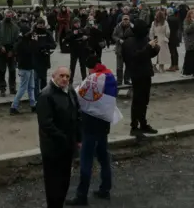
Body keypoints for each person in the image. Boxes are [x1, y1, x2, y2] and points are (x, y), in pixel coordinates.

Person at [65, 55, 118, 205]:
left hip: (89, 126)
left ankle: (81, 195)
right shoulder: (110, 76)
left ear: (91, 68)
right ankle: (105, 189)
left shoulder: (93, 78)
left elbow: (79, 95)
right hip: (104, 124)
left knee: (86, 160)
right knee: (103, 157)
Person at [37, 67, 81, 208]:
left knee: (64, 180)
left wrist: (78, 137)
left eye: (67, 76)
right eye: (61, 76)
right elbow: (46, 124)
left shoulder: (70, 91)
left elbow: (77, 113)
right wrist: (64, 138)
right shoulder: (46, 95)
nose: (65, 79)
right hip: (53, 148)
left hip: (67, 146)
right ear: (54, 76)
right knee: (53, 183)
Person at [122, 19, 160, 138]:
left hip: (146, 73)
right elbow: (135, 57)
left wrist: (155, 48)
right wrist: (148, 47)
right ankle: (134, 126)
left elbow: (149, 54)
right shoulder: (128, 42)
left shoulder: (144, 39)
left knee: (145, 100)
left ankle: (143, 123)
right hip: (136, 74)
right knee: (137, 100)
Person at [0, 9, 20, 96]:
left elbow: (17, 40)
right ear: (4, 15)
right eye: (7, 14)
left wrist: (12, 50)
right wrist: (0, 46)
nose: (8, 16)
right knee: (1, 70)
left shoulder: (15, 26)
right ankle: (2, 89)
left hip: (11, 49)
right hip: (1, 50)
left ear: (12, 15)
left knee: (12, 70)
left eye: (10, 15)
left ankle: (12, 88)